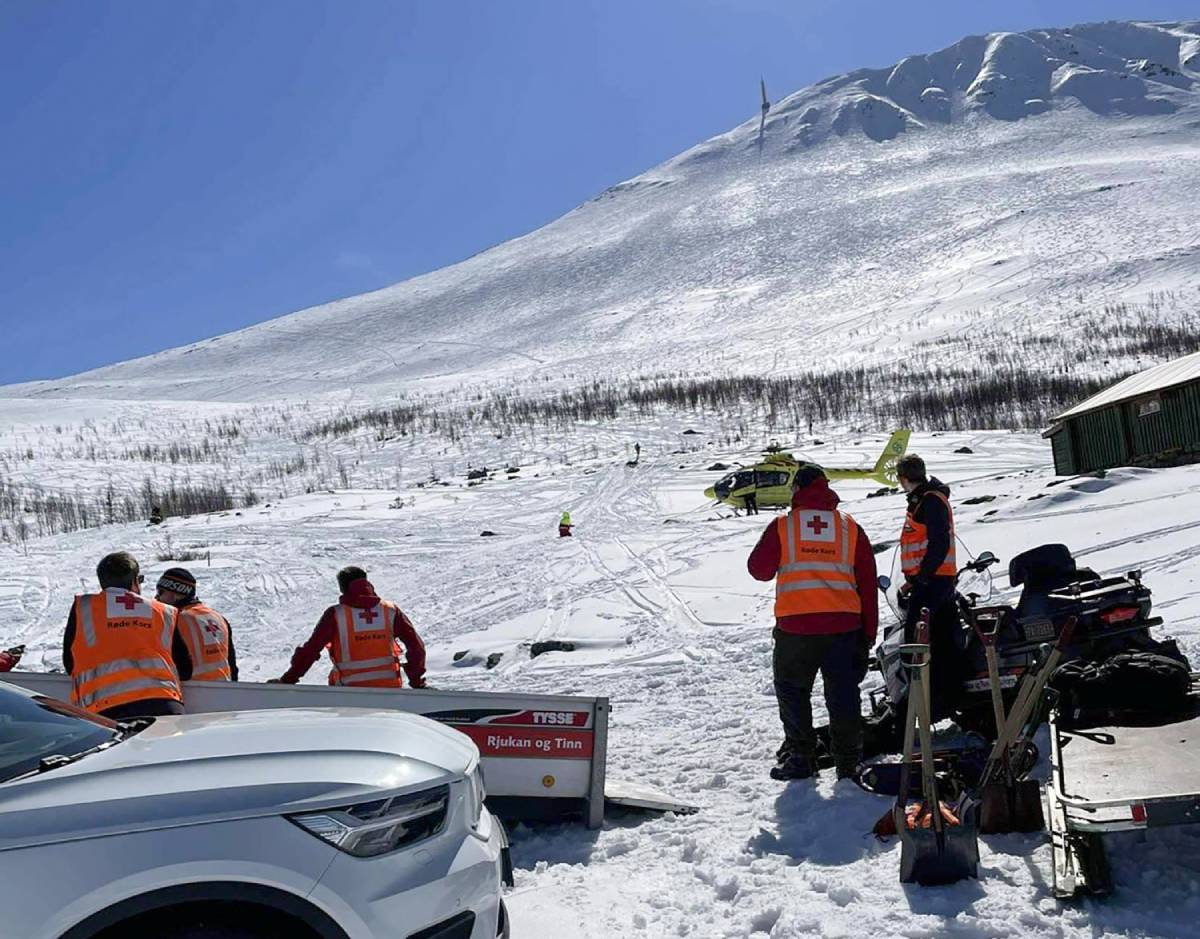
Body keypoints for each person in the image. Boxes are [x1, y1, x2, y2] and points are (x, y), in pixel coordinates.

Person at [748, 463, 878, 780]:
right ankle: (848, 763)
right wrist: (869, 633)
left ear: (797, 490)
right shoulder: (850, 527)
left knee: (793, 692)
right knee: (844, 695)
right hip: (845, 627)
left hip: (797, 629)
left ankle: (802, 758)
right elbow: (868, 582)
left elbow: (758, 570)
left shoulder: (783, 525)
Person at [63, 551, 192, 719]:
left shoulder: (84, 608)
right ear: (134, 581)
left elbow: (69, 663)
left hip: (106, 711)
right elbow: (185, 670)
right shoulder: (164, 612)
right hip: (164, 706)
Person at [276, 566, 426, 688]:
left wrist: (289, 679)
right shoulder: (391, 610)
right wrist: (416, 681)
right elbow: (416, 647)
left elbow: (311, 650)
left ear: (342, 588)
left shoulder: (336, 614)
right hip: (389, 691)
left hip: (348, 694)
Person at [896, 453, 963, 720]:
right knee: (943, 638)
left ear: (903, 478)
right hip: (931, 579)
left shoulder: (931, 501)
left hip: (934, 580)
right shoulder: (924, 499)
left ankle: (925, 700)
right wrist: (912, 580)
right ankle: (942, 695)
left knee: (918, 637)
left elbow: (938, 543)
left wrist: (922, 576)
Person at [155, 568, 237, 681]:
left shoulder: (173, 620)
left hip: (192, 693)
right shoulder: (219, 618)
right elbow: (232, 667)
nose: (157, 598)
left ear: (175, 594)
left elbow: (179, 667)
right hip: (224, 691)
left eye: (160, 592)